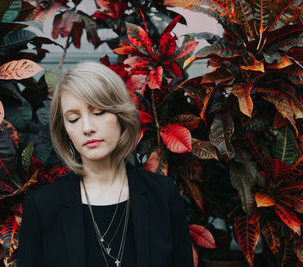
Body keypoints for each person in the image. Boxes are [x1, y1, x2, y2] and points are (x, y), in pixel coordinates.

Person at [17, 61, 194, 267]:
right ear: (64, 130)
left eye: (99, 112)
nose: (87, 127)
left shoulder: (163, 195)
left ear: (121, 115)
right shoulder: (42, 206)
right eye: (73, 118)